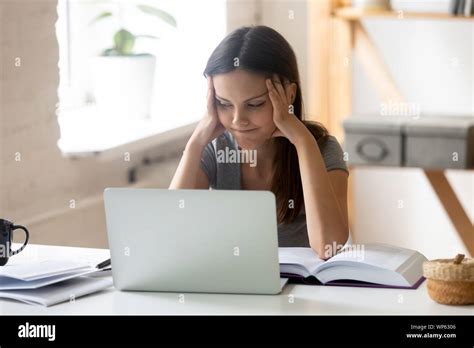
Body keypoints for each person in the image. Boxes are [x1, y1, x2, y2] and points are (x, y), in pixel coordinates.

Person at [170, 25, 350, 259]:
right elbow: (171, 237)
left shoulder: (322, 149)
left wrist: (303, 143)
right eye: (224, 103)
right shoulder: (216, 150)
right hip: (234, 291)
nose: (237, 120)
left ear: (289, 95)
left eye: (254, 105)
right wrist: (195, 144)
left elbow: (330, 246)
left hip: (303, 292)